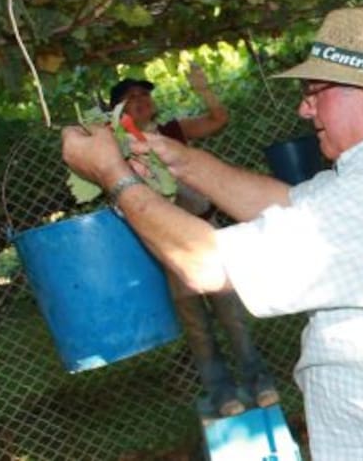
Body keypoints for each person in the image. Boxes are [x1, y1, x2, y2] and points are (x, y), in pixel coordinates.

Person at [68, 7, 363, 460]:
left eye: (315, 91)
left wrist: (117, 178)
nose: (304, 109)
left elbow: (207, 263)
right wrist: (179, 159)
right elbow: (288, 204)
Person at [109, 66, 279, 418]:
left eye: (145, 94)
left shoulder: (174, 131)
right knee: (197, 326)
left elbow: (218, 119)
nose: (141, 100)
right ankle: (222, 393)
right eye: (132, 97)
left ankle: (260, 383)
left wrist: (203, 89)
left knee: (232, 314)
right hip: (168, 243)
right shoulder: (118, 149)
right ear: (118, 111)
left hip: (206, 232)